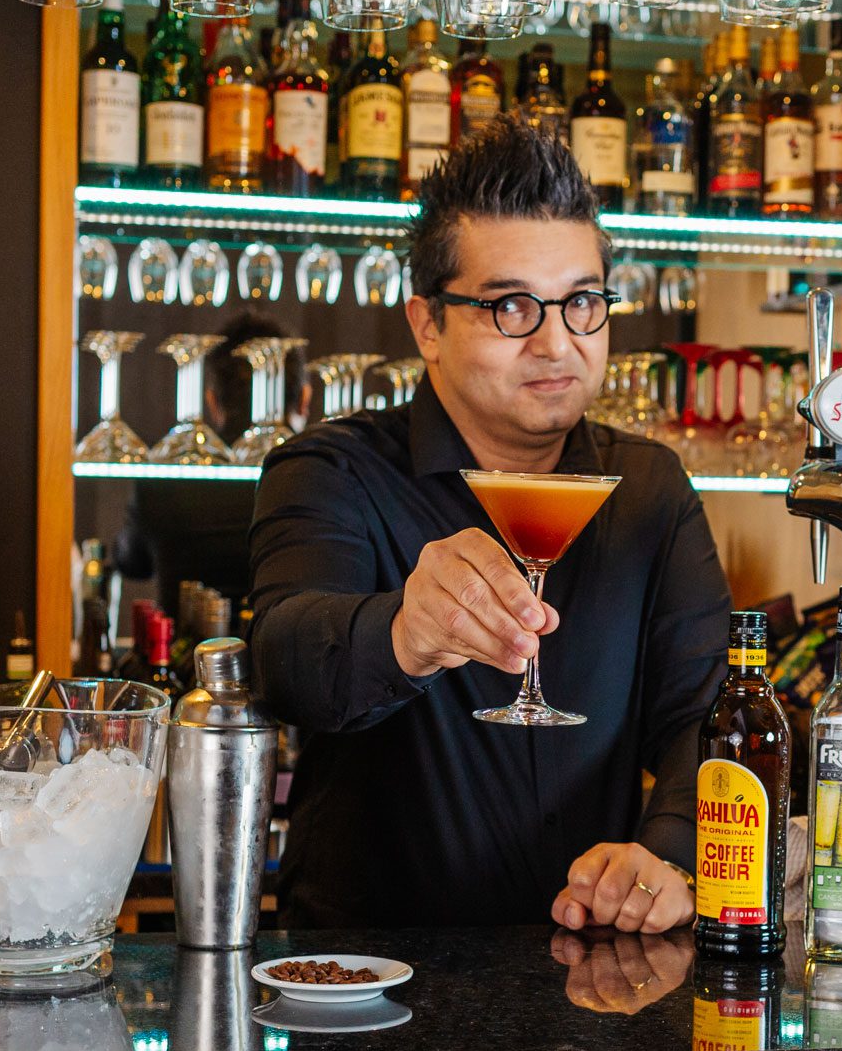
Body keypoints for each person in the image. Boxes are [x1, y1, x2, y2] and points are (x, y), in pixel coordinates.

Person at [250, 117, 732, 933]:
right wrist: (404, 631)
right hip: (368, 986)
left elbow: (707, 713)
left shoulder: (648, 488)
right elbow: (286, 658)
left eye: (582, 302)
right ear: (427, 325)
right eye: (512, 305)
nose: (557, 342)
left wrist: (672, 857)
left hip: (598, 980)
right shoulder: (334, 470)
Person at [113, 312, 311, 615]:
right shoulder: (317, 478)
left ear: (212, 402)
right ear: (305, 399)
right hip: (292, 657)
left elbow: (131, 562)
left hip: (182, 657)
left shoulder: (164, 475)